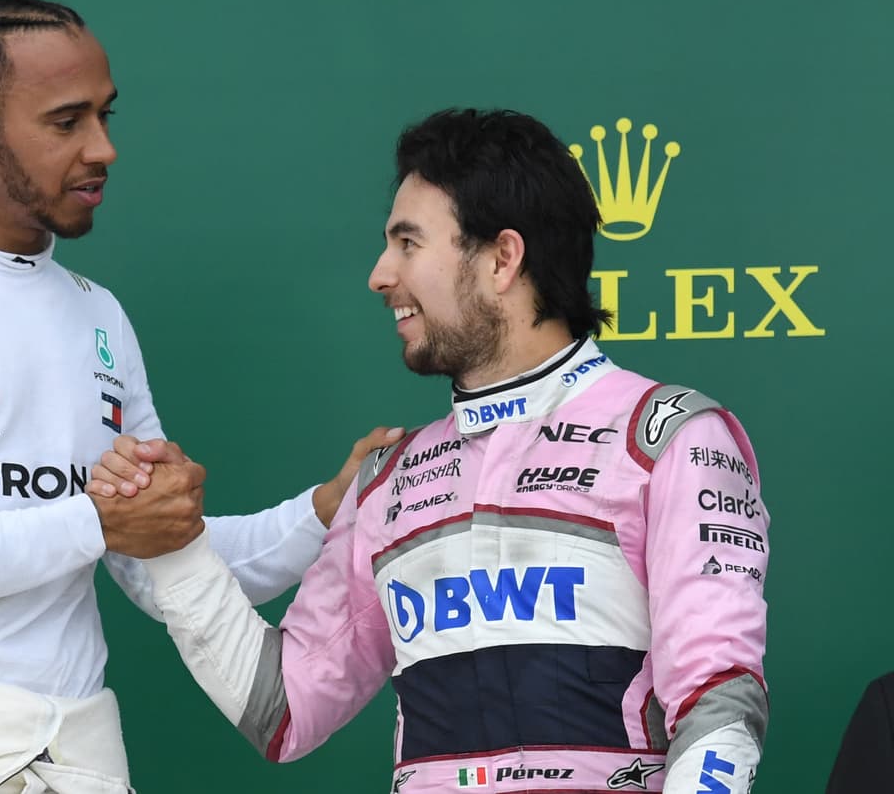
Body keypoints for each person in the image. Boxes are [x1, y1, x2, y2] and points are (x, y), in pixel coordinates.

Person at [0, 0, 398, 794]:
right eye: (67, 122)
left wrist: (324, 512)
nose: (103, 148)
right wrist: (95, 520)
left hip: (79, 760)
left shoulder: (97, 315)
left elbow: (159, 560)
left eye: (105, 115)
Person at [94, 109, 770, 793]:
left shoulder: (667, 438)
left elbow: (718, 706)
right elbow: (284, 708)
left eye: (408, 243)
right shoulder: (392, 479)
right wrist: (176, 548)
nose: (379, 274)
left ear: (502, 258)